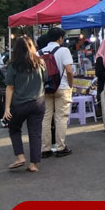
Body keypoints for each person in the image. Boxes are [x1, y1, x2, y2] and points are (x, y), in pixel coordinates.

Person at [3, 36, 46, 172]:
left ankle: (20, 157)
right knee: (35, 133)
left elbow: (10, 87)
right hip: (38, 102)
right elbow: (45, 79)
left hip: (20, 104)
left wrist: (7, 108)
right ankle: (33, 164)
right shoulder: (40, 62)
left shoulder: (13, 65)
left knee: (14, 128)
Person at [40, 27, 74, 158]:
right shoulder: (64, 50)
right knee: (61, 117)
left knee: (46, 118)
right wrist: (70, 85)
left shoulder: (39, 52)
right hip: (62, 87)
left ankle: (45, 148)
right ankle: (60, 147)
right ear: (60, 38)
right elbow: (69, 71)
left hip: (45, 88)